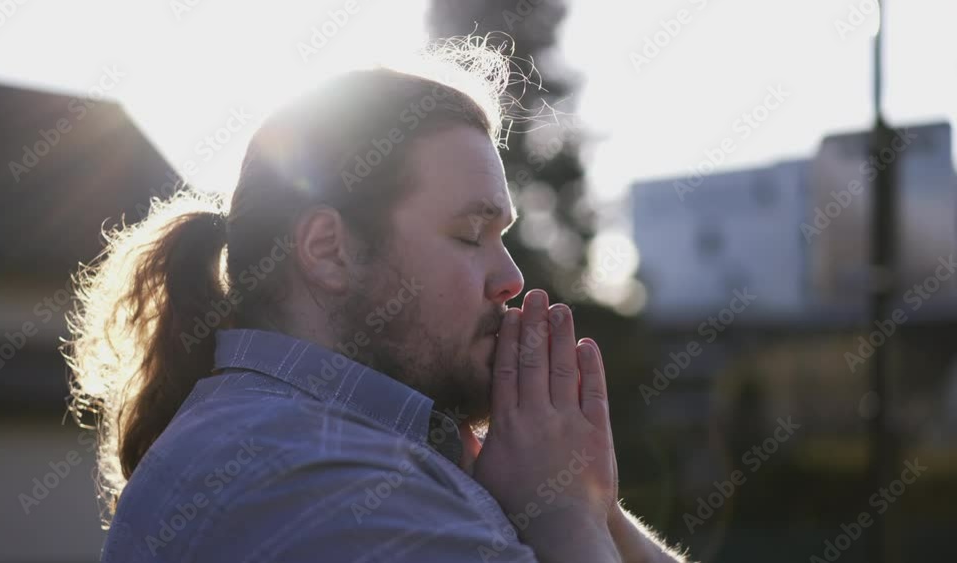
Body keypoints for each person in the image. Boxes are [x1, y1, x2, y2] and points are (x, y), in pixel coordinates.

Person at [63, 39, 691, 562]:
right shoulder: (319, 479)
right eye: (470, 234)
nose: (510, 277)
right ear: (328, 250)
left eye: (502, 236)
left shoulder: (325, 445)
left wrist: (592, 507)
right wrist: (564, 517)